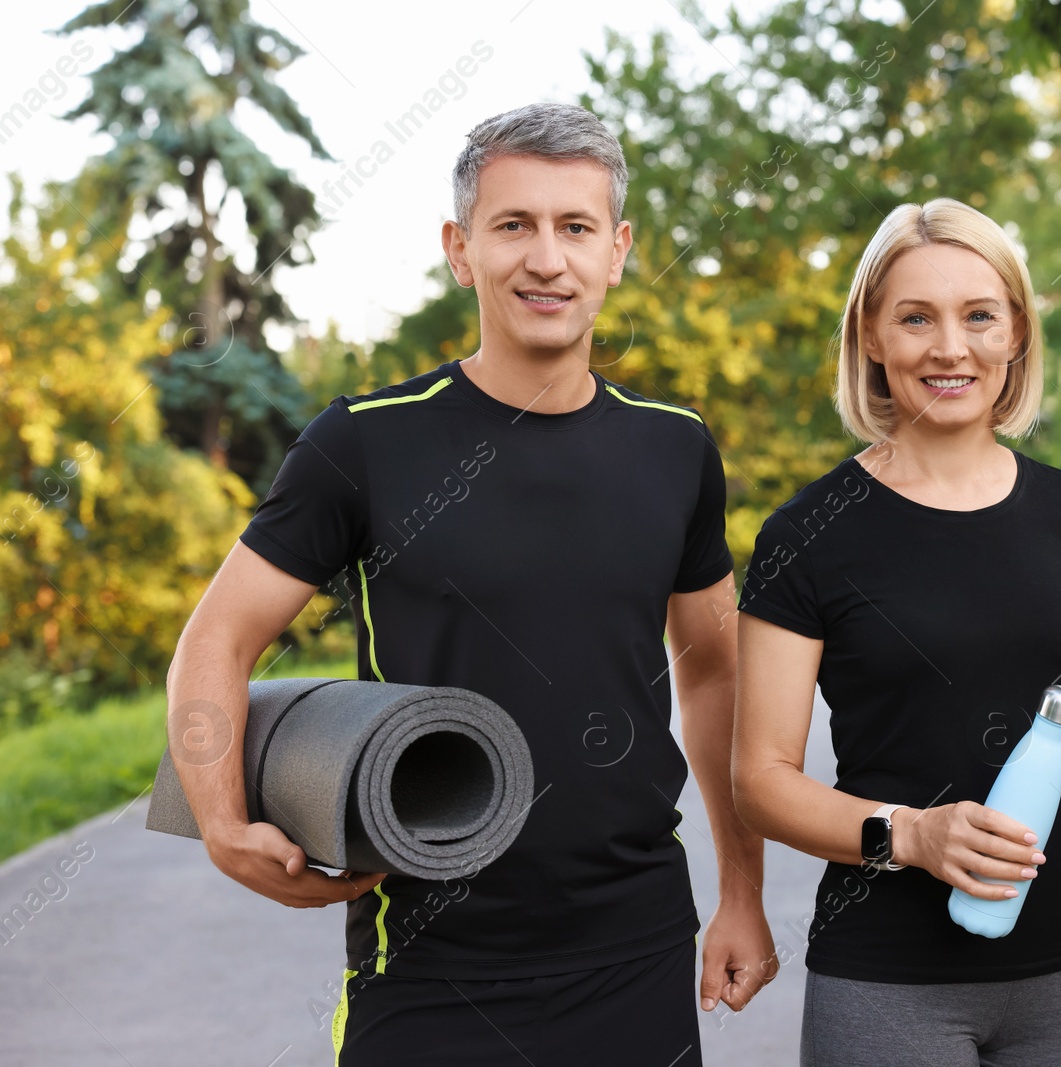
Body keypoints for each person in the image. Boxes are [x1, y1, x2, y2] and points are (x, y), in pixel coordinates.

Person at [164, 102, 776, 1066]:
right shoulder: (365, 441)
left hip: (634, 949)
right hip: (425, 960)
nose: (547, 259)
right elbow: (218, 638)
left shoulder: (676, 448)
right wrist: (217, 821)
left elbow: (712, 672)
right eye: (513, 225)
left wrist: (741, 890)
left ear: (617, 251)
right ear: (460, 249)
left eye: (575, 227)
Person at [731, 198, 1061, 1066]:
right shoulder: (807, 533)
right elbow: (761, 781)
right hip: (886, 984)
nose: (950, 348)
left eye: (979, 315)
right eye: (916, 317)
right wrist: (912, 835)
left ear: (1016, 335)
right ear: (870, 337)